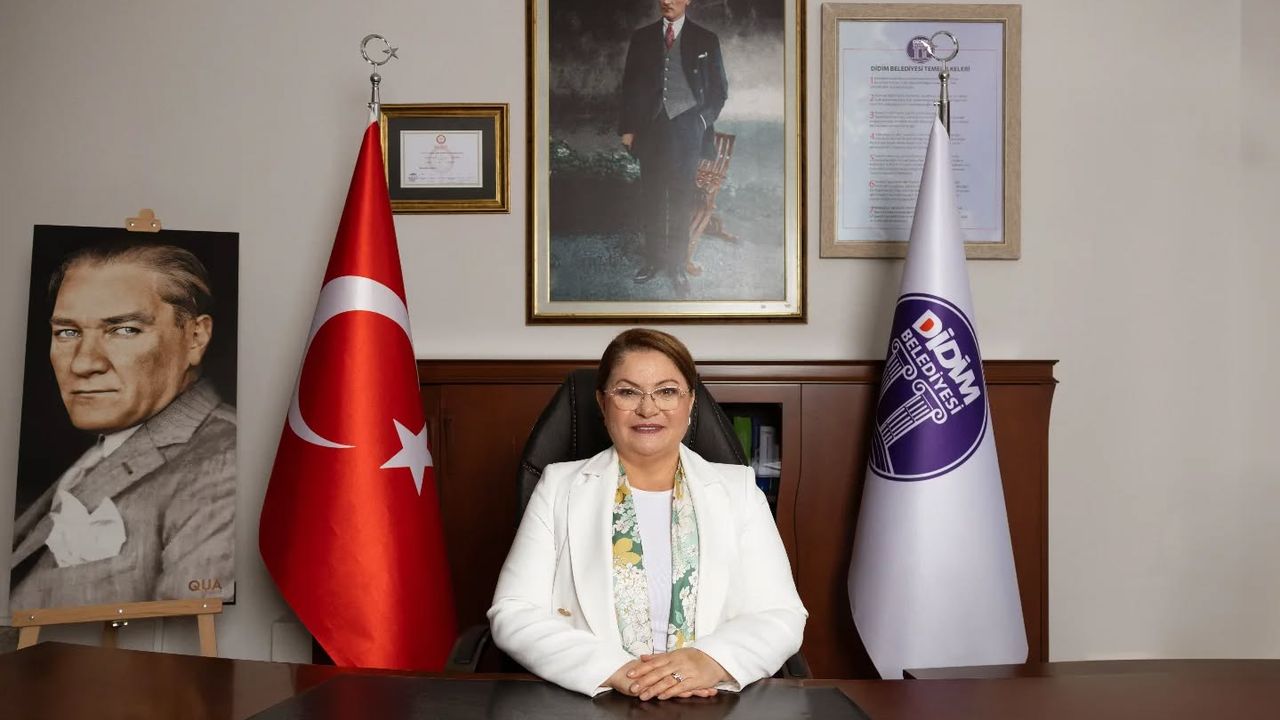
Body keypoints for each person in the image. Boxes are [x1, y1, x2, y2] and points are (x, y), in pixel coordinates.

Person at [488, 329, 805, 698]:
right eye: (628, 392)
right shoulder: (559, 486)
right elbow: (513, 611)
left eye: (667, 391)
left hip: (709, 700)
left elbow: (781, 614)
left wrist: (710, 661)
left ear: (690, 401)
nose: (648, 409)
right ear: (602, 402)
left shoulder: (739, 490)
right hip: (596, 699)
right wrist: (616, 670)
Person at [9, 242, 236, 610]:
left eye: (124, 330)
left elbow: (185, 625)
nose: (83, 364)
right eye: (67, 332)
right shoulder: (108, 448)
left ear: (195, 338)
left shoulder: (222, 464)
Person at [619, 0, 728, 298]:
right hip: (650, 131)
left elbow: (719, 91)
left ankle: (677, 266)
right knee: (652, 199)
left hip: (687, 132)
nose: (666, 1)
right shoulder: (642, 38)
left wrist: (701, 121)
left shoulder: (706, 39)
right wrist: (628, 129)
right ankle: (653, 261)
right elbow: (630, 86)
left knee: (681, 201)